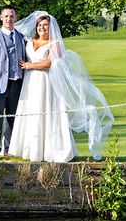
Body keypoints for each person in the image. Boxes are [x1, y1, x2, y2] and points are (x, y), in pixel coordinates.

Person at [8, 11, 114, 162]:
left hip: (46, 82)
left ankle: (50, 150)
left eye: (45, 25)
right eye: (39, 25)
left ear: (51, 28)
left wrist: (29, 65)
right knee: (30, 110)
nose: (42, 28)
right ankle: (29, 149)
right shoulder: (29, 41)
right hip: (29, 82)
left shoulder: (55, 43)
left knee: (45, 111)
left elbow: (49, 63)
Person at [0, 5, 28, 161]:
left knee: (13, 118)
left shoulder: (22, 37)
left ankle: (9, 148)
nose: (9, 19)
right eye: (6, 16)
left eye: (12, 16)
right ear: (1, 18)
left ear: (15, 18)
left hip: (17, 83)